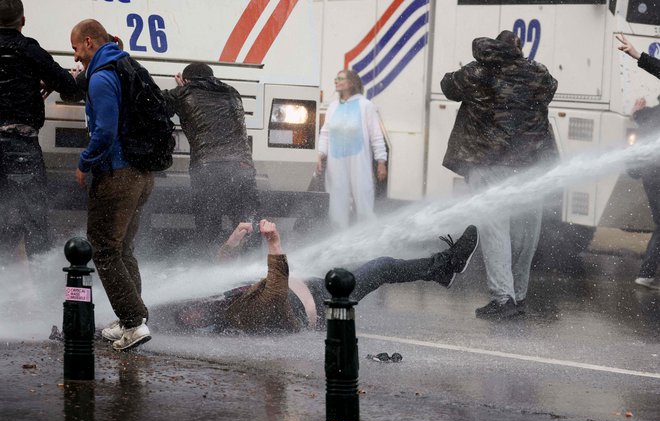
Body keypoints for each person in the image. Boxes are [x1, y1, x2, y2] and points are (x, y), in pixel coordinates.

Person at [151, 221, 479, 334]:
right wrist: (274, 244)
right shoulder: (238, 317)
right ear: (197, 326)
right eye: (188, 317)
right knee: (381, 267)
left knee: (375, 263)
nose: (192, 310)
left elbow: (221, 272)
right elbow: (275, 294)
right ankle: (444, 266)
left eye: (188, 307)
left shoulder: (221, 301)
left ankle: (440, 272)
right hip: (324, 306)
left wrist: (235, 239)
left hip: (317, 286)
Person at [441, 30, 558, 319]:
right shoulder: (538, 72)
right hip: (531, 165)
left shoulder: (478, 71)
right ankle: (518, 296)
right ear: (519, 48)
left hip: (489, 162)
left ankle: (502, 298)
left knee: (495, 231)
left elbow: (448, 87)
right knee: (524, 234)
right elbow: (551, 89)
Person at [70, 19, 154, 351]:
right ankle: (133, 318)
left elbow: (104, 131)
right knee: (122, 249)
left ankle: (133, 323)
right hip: (141, 175)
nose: (76, 57)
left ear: (89, 42)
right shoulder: (123, 66)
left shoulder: (102, 77)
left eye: (76, 48)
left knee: (103, 249)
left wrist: (83, 162)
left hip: (118, 175)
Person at [0, 0, 77, 259]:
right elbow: (71, 89)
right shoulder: (30, 50)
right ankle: (42, 286)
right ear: (22, 21)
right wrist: (45, 84)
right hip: (20, 143)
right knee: (33, 219)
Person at [162, 63, 259, 256]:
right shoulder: (232, 92)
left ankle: (210, 269)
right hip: (242, 166)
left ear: (187, 80)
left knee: (208, 226)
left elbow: (153, 102)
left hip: (209, 169)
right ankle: (252, 270)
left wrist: (183, 89)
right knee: (246, 224)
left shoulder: (184, 94)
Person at [316, 69, 387, 229]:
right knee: (337, 202)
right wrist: (320, 155)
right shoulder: (333, 107)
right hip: (336, 163)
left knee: (363, 199)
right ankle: (338, 234)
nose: (336, 81)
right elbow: (325, 133)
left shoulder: (366, 106)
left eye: (340, 78)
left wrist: (381, 161)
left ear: (351, 83)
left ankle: (367, 235)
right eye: (336, 78)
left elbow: (376, 135)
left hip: (358, 162)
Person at [617, 34, 660, 290]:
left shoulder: (651, 115)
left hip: (651, 175)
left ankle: (646, 273)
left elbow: (646, 116)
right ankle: (645, 273)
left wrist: (637, 55)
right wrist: (638, 55)